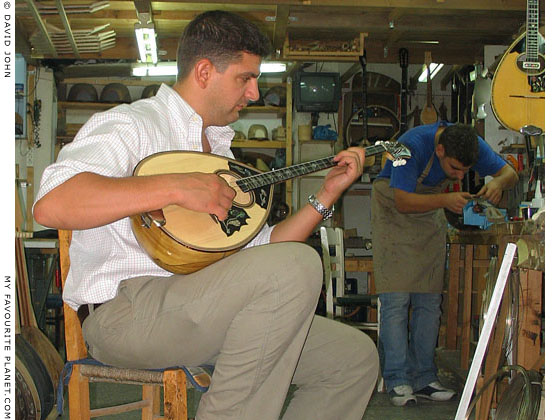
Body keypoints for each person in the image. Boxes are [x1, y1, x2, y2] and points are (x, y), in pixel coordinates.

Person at [33, 10, 379, 420]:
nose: (253, 93)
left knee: (352, 358)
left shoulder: (219, 155)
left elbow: (264, 251)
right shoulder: (131, 125)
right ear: (203, 72)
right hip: (125, 315)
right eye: (245, 78)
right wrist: (177, 186)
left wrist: (326, 195)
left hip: (202, 309)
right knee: (297, 265)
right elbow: (52, 203)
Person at [371, 122, 518, 406]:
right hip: (394, 212)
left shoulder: (467, 143)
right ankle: (397, 379)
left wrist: (498, 183)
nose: (461, 175)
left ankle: (424, 377)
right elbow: (401, 201)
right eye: (455, 169)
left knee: (429, 300)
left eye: (466, 170)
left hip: (428, 215)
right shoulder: (411, 145)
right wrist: (445, 199)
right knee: (397, 300)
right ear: (439, 150)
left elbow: (509, 172)